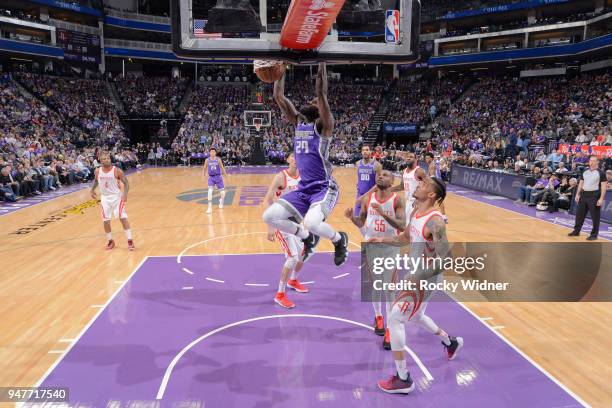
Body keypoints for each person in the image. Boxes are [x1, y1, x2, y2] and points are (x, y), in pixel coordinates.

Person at [377, 177, 463, 394]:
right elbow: (406, 236)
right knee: (415, 317)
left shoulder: (436, 222)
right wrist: (384, 242)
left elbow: (445, 259)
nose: (419, 185)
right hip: (417, 275)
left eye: (424, 185)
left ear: (432, 195)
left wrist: (417, 277)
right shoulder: (416, 212)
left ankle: (403, 378)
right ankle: (450, 342)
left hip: (424, 279)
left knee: (395, 317)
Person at [263, 62, 349, 266]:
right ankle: (306, 237)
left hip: (323, 187)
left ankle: (339, 240)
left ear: (321, 110)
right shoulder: (299, 122)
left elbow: (321, 93)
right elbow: (278, 96)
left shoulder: (325, 126)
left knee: (312, 222)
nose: (311, 102)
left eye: (315, 102)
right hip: (304, 188)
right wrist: (281, 67)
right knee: (269, 217)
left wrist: (322, 62)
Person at [345, 170, 405, 350]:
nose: (380, 176)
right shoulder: (367, 199)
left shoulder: (397, 200)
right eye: (379, 175)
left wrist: (384, 213)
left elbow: (402, 226)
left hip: (390, 248)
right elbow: (361, 223)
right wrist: (351, 218)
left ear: (392, 180)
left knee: (390, 289)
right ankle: (378, 317)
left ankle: (389, 328)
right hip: (371, 248)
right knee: (376, 285)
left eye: (386, 175)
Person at [263, 153, 309, 309]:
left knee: (305, 252)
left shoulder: (304, 176)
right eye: (292, 157)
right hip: (283, 223)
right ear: (288, 160)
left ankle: (293, 280)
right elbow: (268, 199)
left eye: (298, 156)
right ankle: (280, 294)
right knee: (292, 258)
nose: (296, 159)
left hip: (297, 221)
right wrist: (271, 227)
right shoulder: (281, 177)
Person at [90, 152, 134, 250]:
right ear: (100, 161)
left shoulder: (117, 170)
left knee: (122, 218)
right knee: (106, 221)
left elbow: (126, 183)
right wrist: (92, 189)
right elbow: (96, 181)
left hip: (116, 197)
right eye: (104, 159)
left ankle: (130, 240)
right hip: (105, 198)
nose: (107, 160)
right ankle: (110, 241)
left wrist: (125, 194)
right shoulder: (97, 171)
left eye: (108, 158)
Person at [568, 156, 607, 240]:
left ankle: (594, 235)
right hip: (583, 195)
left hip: (594, 196)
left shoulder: (601, 173)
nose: (592, 162)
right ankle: (576, 231)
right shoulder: (585, 171)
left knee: (595, 217)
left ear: (597, 162)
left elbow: (604, 187)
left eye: (594, 161)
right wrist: (578, 194)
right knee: (579, 215)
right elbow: (581, 183)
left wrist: (601, 199)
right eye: (590, 161)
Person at [354, 145, 382, 228]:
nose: (365, 152)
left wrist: (364, 196)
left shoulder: (377, 165)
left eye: (367, 150)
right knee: (357, 221)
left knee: (371, 223)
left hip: (371, 196)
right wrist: (358, 183)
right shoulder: (358, 163)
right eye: (363, 150)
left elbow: (378, 184)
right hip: (360, 194)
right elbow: (359, 177)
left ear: (370, 152)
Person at [203, 147, 228, 214]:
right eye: (211, 152)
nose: (212, 153)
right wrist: (204, 175)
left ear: (215, 153)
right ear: (209, 153)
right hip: (211, 177)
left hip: (218, 177)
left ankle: (221, 201)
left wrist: (225, 175)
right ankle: (209, 207)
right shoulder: (207, 160)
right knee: (210, 191)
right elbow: (204, 168)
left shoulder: (218, 160)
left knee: (223, 193)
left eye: (214, 152)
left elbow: (222, 167)